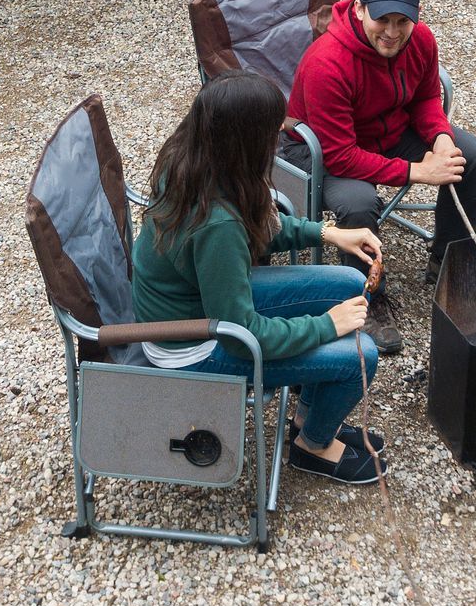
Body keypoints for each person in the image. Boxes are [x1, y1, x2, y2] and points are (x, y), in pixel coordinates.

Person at [131, 70, 392, 485]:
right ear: (244, 142)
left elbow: (260, 226)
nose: (277, 142)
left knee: (345, 280)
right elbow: (240, 335)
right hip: (194, 344)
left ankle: (308, 416)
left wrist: (326, 231)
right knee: (362, 354)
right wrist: (327, 325)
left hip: (205, 304)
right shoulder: (216, 223)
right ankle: (313, 447)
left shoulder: (196, 159)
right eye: (271, 133)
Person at [284, 0, 476, 356]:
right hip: (318, 151)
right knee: (360, 201)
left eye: (403, 22)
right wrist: (417, 171)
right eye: (383, 20)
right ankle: (365, 297)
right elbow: (341, 157)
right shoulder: (327, 62)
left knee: (472, 155)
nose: (393, 33)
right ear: (360, 9)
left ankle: (449, 262)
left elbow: (426, 97)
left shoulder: (422, 41)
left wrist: (441, 138)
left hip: (386, 133)